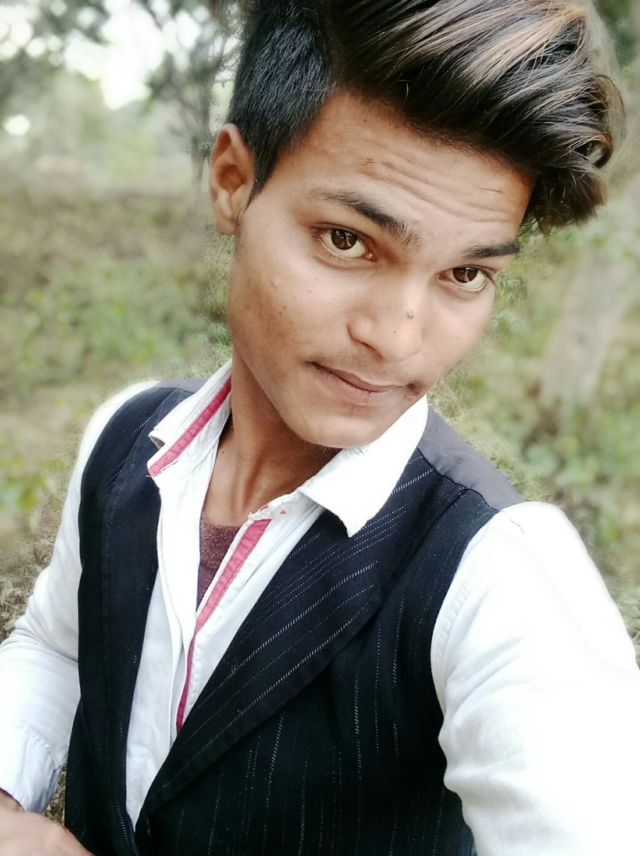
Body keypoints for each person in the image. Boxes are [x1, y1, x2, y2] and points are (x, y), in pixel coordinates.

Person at [1, 0, 639, 853]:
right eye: (347, 239)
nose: (398, 338)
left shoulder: (500, 576)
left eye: (465, 274)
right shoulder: (127, 437)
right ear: (234, 180)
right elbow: (57, 647)